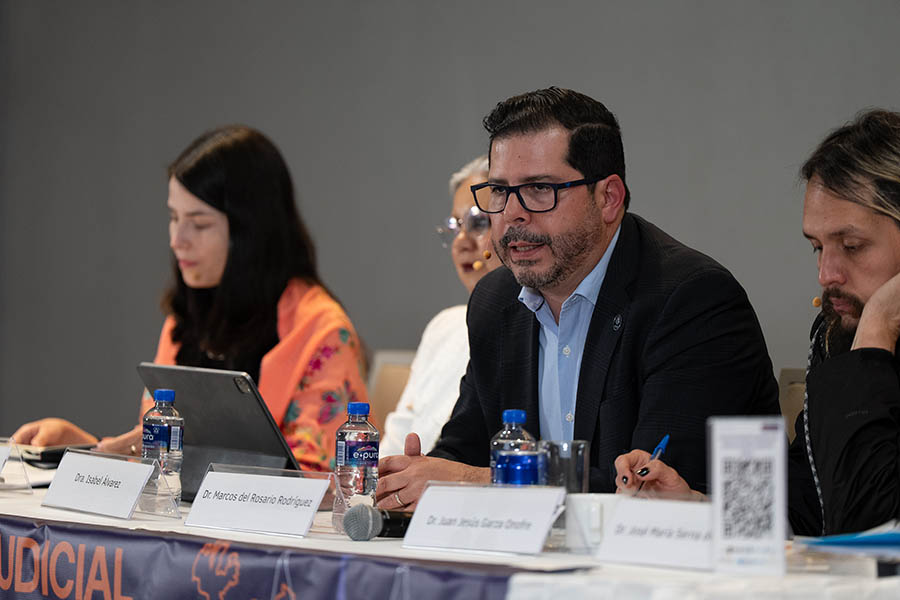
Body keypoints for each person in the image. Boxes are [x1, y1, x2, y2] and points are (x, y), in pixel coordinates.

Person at [376, 87, 779, 510]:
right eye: (499, 190)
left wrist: (471, 482)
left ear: (608, 198)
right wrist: (412, 478)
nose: (512, 213)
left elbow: (655, 491)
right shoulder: (496, 301)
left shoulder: (691, 300)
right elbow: (465, 451)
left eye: (539, 189)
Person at [12, 125, 368, 472]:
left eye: (199, 224)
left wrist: (131, 450)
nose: (177, 240)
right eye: (173, 217)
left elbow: (320, 481)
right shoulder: (186, 319)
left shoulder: (321, 331)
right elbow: (161, 459)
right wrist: (89, 448)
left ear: (252, 231)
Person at [614, 109, 900, 536]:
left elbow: (874, 529)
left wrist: (876, 329)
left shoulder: (865, 332)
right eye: (817, 247)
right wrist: (696, 509)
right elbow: (809, 504)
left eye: (852, 246)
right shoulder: (838, 335)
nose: (826, 275)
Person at [380, 156, 501, 456]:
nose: (461, 242)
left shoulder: (536, 329)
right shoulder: (444, 327)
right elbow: (397, 438)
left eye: (478, 223)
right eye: (455, 226)